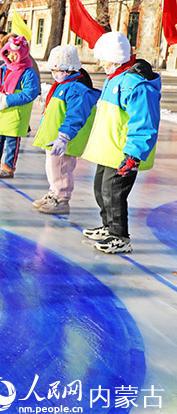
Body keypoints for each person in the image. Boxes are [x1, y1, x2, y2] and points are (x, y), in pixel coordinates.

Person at [81, 32, 160, 254]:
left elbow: (144, 122)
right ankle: (108, 226)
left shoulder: (136, 85)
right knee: (101, 189)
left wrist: (133, 155)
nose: (101, 63)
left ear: (115, 58)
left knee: (114, 193)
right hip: (108, 149)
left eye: (103, 58)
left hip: (123, 153)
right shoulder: (115, 78)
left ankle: (120, 236)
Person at [31, 45, 99, 215]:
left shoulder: (76, 88)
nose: (55, 74)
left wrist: (64, 136)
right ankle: (54, 192)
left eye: (59, 70)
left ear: (70, 69)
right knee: (52, 167)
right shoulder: (63, 85)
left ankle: (62, 197)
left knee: (62, 168)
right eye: (53, 70)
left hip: (65, 137)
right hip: (55, 135)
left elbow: (75, 115)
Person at [0, 35, 40, 179]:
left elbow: (30, 93)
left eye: (15, 54)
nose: (11, 57)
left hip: (15, 113)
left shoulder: (28, 72)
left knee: (12, 142)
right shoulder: (4, 69)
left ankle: (8, 167)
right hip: (1, 112)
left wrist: (7, 100)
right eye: (8, 53)